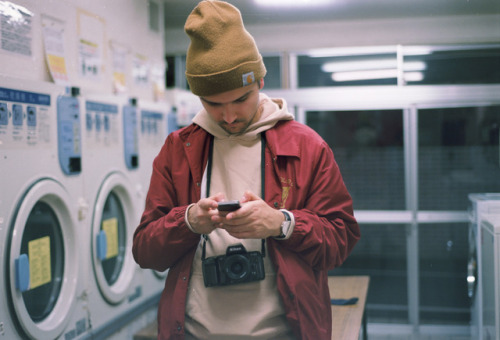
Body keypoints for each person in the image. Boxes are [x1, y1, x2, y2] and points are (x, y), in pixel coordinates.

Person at [132, 1, 360, 339]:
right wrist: (188, 221)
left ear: (261, 81)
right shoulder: (179, 149)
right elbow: (144, 250)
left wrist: (282, 224)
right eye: (213, 104)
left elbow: (341, 239)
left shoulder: (307, 147)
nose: (228, 116)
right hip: (194, 332)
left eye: (240, 99)